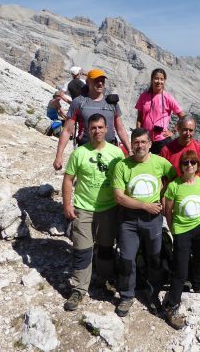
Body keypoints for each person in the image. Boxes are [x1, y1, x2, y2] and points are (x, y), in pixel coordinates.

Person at [61, 113, 124, 311]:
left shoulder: (117, 153)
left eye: (100, 127)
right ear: (88, 130)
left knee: (105, 248)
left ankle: (104, 279)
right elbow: (68, 180)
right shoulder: (79, 153)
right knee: (82, 250)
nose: (97, 131)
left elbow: (123, 181)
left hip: (109, 208)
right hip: (83, 208)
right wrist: (67, 205)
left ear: (107, 129)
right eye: (93, 128)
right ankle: (79, 288)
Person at [112, 127, 175, 317]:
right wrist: (145, 206)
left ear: (150, 144)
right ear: (131, 144)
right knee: (127, 258)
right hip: (129, 220)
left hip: (153, 219)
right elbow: (119, 197)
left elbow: (175, 180)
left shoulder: (160, 162)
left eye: (143, 142)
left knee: (154, 257)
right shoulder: (123, 166)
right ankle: (127, 295)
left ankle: (153, 293)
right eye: (136, 142)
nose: (140, 145)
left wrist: (164, 197)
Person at [162, 150, 200, 329]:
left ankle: (199, 284)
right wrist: (174, 230)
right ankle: (172, 305)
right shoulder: (174, 186)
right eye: (186, 163)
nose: (189, 166)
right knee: (181, 268)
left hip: (199, 226)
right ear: (181, 166)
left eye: (193, 163)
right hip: (182, 230)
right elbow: (168, 212)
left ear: (197, 166)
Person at [53, 68, 131, 171]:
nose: (100, 83)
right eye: (96, 80)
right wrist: (59, 156)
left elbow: (120, 128)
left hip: (110, 150)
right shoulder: (78, 102)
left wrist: (130, 150)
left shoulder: (112, 103)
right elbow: (67, 130)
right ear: (88, 82)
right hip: (86, 149)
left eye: (102, 80)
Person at [135, 68, 185, 154]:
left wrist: (173, 131)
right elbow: (139, 118)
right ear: (152, 79)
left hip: (162, 140)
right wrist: (138, 134)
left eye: (162, 79)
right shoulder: (143, 96)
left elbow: (183, 116)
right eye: (156, 78)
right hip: (146, 139)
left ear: (164, 81)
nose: (159, 81)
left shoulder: (168, 97)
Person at [160, 115, 200, 185]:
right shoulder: (166, 150)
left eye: (191, 130)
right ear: (178, 129)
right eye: (185, 130)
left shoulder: (199, 148)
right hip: (173, 191)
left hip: (195, 190)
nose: (188, 133)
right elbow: (160, 174)